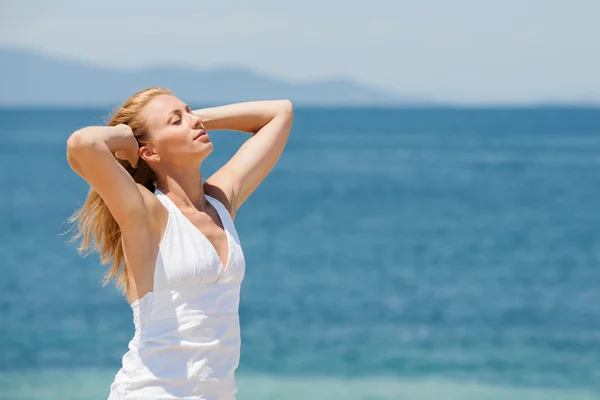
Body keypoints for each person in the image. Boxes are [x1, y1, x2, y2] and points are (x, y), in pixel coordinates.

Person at [66, 87, 293, 399]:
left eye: (190, 111)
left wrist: (196, 119)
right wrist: (126, 135)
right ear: (149, 152)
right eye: (176, 121)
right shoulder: (147, 212)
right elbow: (82, 144)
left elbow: (280, 112)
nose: (193, 122)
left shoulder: (220, 202)